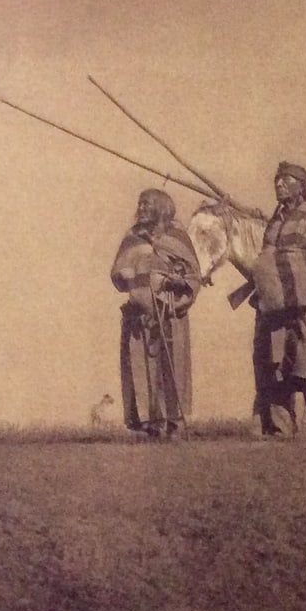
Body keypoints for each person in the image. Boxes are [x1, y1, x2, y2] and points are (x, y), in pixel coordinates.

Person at [250, 162, 306, 440]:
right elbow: (266, 260)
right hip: (277, 307)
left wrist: (288, 263)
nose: (278, 185)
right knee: (275, 366)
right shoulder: (275, 221)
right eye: (277, 181)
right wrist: (271, 277)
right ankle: (281, 429)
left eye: (286, 180)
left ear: (301, 186)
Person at [110, 188, 201, 439]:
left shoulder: (178, 236)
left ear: (162, 207)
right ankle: (150, 425)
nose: (141, 209)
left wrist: (178, 283)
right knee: (142, 369)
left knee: (172, 368)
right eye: (139, 204)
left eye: (147, 204)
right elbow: (117, 273)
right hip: (139, 319)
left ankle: (174, 424)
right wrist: (123, 274)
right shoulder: (132, 238)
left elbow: (193, 275)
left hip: (171, 315)